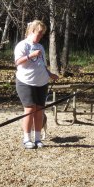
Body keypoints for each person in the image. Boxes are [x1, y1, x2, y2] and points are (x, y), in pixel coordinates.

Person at [14, 20, 59, 149]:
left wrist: (50, 74)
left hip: (42, 82)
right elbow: (18, 62)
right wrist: (30, 55)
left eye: (42, 34)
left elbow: (43, 65)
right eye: (39, 33)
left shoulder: (40, 47)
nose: (40, 36)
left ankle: (38, 138)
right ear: (32, 31)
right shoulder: (22, 45)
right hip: (25, 82)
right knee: (29, 110)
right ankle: (27, 139)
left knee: (39, 111)